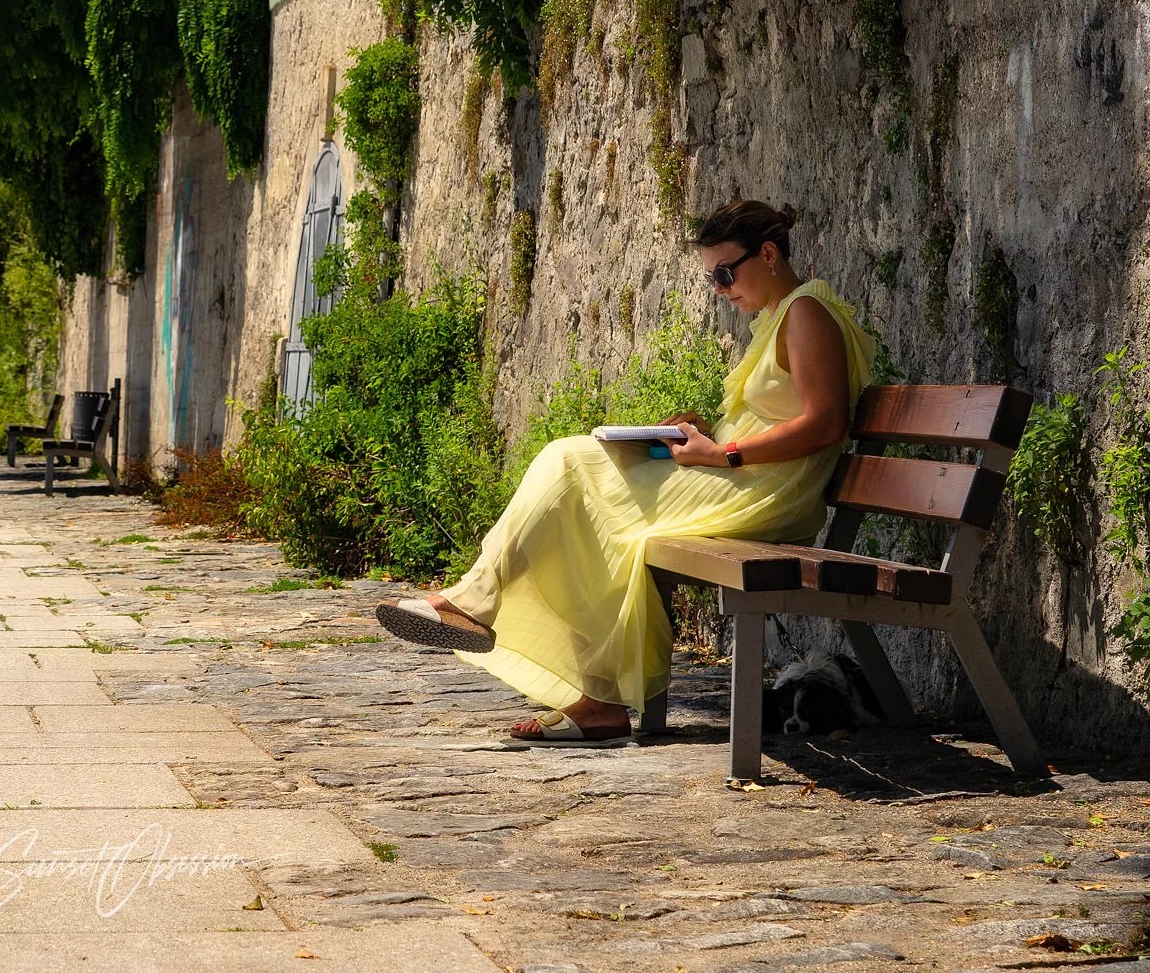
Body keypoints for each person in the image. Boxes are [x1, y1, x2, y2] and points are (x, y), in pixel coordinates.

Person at [374, 199, 877, 741]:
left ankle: (474, 604)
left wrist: (724, 453)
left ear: (770, 254)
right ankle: (594, 698)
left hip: (763, 493)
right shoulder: (782, 316)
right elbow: (779, 414)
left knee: (570, 464)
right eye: (712, 277)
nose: (720, 288)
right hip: (745, 476)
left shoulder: (805, 312)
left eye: (726, 273)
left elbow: (825, 423)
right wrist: (704, 434)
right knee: (582, 484)